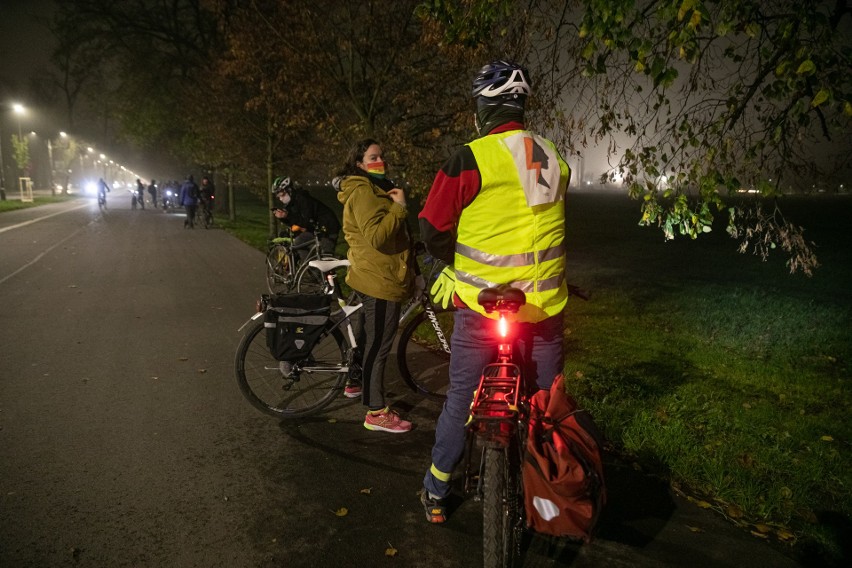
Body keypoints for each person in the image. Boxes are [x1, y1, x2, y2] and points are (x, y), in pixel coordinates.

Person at [418, 60, 571, 522]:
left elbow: (431, 228)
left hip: (482, 307)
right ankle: (547, 492)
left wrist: (451, 267)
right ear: (521, 107)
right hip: (543, 309)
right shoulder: (553, 157)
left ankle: (436, 493)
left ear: (483, 106)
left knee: (461, 396)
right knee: (545, 401)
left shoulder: (470, 157)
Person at [335, 139, 415, 433]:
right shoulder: (364, 192)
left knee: (368, 338)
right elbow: (378, 237)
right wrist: (399, 208)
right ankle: (376, 412)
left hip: (375, 273)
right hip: (379, 279)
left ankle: (356, 383)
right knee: (379, 346)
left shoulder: (372, 188)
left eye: (381, 155)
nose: (380, 159)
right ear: (359, 163)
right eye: (372, 156)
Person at [271, 176, 341, 259]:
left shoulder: (302, 199)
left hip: (328, 227)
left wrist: (287, 216)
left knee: (325, 257)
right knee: (298, 242)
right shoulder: (291, 204)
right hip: (315, 228)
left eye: (282, 194)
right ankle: (310, 269)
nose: (280, 198)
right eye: (278, 197)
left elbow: (305, 222)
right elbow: (295, 221)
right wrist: (283, 217)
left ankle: (321, 268)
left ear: (289, 190)